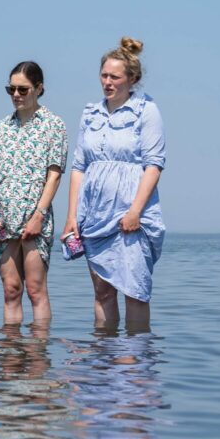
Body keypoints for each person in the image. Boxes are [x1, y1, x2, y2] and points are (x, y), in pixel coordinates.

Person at [61, 37, 165, 330]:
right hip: (94, 215)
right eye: (104, 75)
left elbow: (154, 165)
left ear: (132, 79)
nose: (107, 82)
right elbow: (79, 167)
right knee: (103, 292)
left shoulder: (146, 110)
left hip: (131, 215)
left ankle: (135, 355)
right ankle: (102, 355)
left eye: (114, 77)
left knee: (135, 292)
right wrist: (72, 216)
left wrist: (135, 212)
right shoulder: (90, 113)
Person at [0, 62, 68, 325]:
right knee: (11, 290)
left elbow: (54, 174)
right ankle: (10, 349)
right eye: (11, 89)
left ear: (39, 88)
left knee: (34, 289)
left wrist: (39, 216)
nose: (16, 95)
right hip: (3, 217)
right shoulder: (1, 127)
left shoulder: (53, 125)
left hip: (34, 216)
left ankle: (38, 349)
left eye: (23, 89)